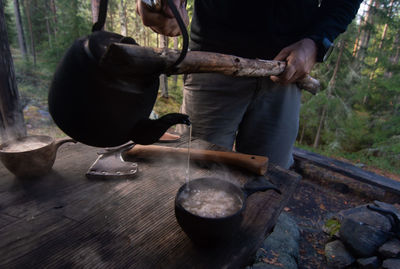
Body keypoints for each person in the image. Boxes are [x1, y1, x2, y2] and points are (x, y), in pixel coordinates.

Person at [137, 0, 362, 169]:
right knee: (193, 173)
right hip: (210, 63)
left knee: (269, 178)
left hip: (285, 71)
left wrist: (316, 42)